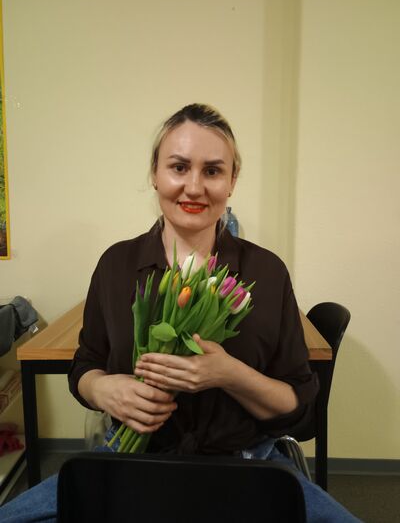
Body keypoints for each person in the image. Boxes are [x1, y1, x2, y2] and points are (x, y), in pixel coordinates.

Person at [0, 104, 360, 522]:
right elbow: (86, 364)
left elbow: (299, 409)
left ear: (232, 181)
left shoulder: (266, 272)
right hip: (130, 462)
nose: (194, 187)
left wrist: (229, 374)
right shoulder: (117, 265)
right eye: (178, 167)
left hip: (248, 466)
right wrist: (103, 389)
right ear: (155, 173)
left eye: (213, 171)